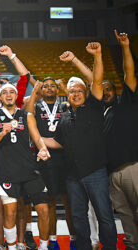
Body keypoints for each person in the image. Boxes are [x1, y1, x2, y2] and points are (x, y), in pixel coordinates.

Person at [42, 42, 117, 250]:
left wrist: (89, 57)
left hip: (95, 171)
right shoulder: (65, 117)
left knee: (105, 215)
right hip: (72, 175)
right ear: (67, 94)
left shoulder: (94, 106)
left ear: (86, 92)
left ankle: (110, 247)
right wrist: (34, 138)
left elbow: (96, 79)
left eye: (79, 90)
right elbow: (57, 141)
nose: (75, 93)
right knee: (78, 217)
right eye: (71, 91)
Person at [0, 83, 50, 250]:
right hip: (7, 171)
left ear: (16, 96)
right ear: (0, 97)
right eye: (5, 93)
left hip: (29, 170)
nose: (8, 95)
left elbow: (37, 138)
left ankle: (43, 247)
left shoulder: (26, 115)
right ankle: (12, 246)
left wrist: (43, 148)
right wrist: (2, 133)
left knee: (43, 210)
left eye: (12, 92)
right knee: (10, 213)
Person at [25, 78, 76, 250]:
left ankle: (74, 239)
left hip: (66, 158)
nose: (49, 88)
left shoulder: (65, 105)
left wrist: (65, 89)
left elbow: (77, 105)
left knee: (70, 202)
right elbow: (28, 114)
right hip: (46, 159)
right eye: (45, 86)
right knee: (51, 201)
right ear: (41, 90)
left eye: (52, 86)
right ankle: (53, 240)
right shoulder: (38, 106)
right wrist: (34, 91)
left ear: (57, 90)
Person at [103, 30, 138, 250]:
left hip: (132, 166)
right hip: (111, 172)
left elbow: (129, 74)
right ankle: (133, 244)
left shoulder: (125, 104)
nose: (105, 92)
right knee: (124, 213)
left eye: (109, 89)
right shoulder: (98, 113)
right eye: (102, 89)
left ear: (116, 91)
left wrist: (125, 47)